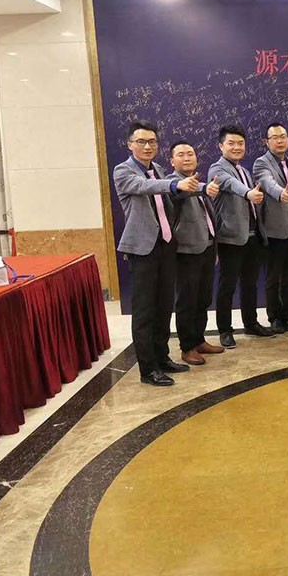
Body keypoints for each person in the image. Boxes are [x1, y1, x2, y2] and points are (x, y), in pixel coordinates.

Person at [113, 120, 198, 387]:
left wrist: (193, 189)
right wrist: (174, 186)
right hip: (143, 249)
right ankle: (148, 369)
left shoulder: (158, 169)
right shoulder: (123, 171)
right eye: (141, 141)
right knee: (145, 310)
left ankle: (162, 358)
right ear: (130, 144)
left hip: (166, 244)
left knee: (164, 306)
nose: (148, 146)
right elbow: (144, 187)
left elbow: (169, 196)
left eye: (152, 141)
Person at [208, 125, 275, 348]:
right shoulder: (217, 169)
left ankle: (251, 323)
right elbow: (231, 184)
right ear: (221, 146)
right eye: (231, 143)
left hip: (253, 237)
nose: (237, 147)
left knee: (250, 283)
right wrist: (248, 193)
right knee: (227, 285)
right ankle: (225, 330)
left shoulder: (245, 171)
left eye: (240, 143)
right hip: (230, 238)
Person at [253, 122, 288, 333]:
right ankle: (275, 317)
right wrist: (279, 193)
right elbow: (267, 182)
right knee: (273, 277)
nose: (280, 141)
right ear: (266, 142)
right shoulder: (261, 163)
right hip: (275, 230)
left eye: (283, 136)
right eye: (275, 137)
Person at [169, 140, 222, 365]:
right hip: (186, 251)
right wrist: (201, 187)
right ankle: (187, 347)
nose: (187, 158)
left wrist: (214, 246)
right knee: (187, 300)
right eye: (181, 154)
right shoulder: (173, 184)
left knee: (203, 298)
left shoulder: (199, 183)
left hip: (207, 247)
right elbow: (183, 193)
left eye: (190, 153)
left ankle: (199, 339)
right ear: (172, 161)